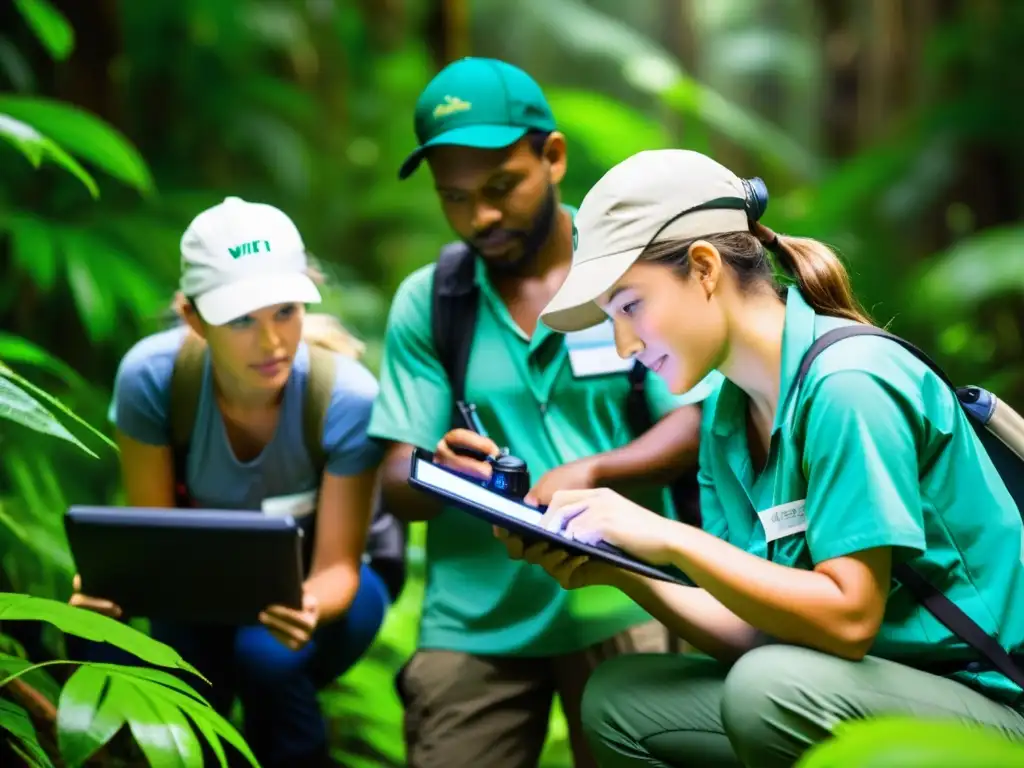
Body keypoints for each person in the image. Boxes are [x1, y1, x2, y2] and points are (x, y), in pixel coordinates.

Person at [498, 148, 1024, 767]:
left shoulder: (850, 384)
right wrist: (616, 566)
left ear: (702, 268)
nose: (625, 344)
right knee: (619, 700)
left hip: (991, 706)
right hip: (864, 691)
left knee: (766, 690)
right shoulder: (726, 418)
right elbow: (754, 627)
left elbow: (848, 618)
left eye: (630, 305)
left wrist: (667, 536)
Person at [368, 57, 721, 768]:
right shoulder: (432, 301)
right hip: (476, 623)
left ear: (552, 157)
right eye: (455, 197)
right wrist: (442, 470)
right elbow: (397, 484)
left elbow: (695, 423)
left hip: (630, 597)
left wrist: (594, 469)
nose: (481, 216)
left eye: (501, 187)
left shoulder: (627, 268)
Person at [70, 196, 391, 768]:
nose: (271, 343)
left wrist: (307, 606)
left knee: (267, 658)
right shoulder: (154, 379)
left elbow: (338, 567)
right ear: (193, 319)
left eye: (285, 312)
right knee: (134, 648)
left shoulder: (343, 398)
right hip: (196, 582)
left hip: (328, 586)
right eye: (242, 319)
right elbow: (156, 538)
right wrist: (108, 592)